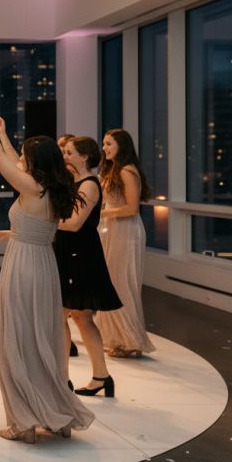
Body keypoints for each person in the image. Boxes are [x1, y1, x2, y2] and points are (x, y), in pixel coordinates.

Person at [0, 89, 94, 444]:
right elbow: (14, 162)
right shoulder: (55, 188)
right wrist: (9, 232)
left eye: (25, 156)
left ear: (34, 162)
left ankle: (23, 421)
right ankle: (57, 416)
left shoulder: (32, 188)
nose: (20, 161)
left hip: (23, 269)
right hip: (43, 266)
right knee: (40, 341)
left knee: (15, 341)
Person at [56, 136, 123, 397]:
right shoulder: (76, 182)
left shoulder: (90, 185)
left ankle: (63, 379)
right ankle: (101, 376)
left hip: (78, 254)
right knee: (82, 318)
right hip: (71, 252)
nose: (65, 156)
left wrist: (45, 220)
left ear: (84, 157)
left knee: (63, 316)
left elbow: (73, 223)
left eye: (70, 152)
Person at [97, 128, 156, 358]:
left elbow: (131, 209)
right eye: (103, 144)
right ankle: (116, 337)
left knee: (121, 283)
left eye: (109, 143)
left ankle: (129, 340)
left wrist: (103, 214)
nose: (104, 148)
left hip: (125, 230)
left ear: (122, 145)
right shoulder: (114, 170)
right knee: (110, 281)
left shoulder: (127, 171)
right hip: (113, 228)